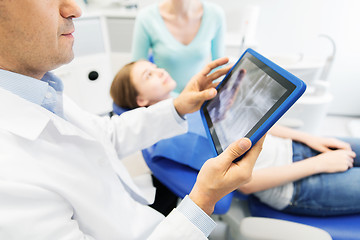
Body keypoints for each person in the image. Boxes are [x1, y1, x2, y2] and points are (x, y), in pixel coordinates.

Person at [0, 1, 265, 239]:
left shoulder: (42, 91)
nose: (75, 9)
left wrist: (177, 106)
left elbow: (105, 133)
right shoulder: (9, 182)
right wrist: (203, 200)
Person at [110, 59, 360, 217]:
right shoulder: (169, 142)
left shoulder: (196, 103)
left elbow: (258, 124)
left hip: (295, 147)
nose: (159, 71)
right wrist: (319, 164)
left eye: (154, 67)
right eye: (148, 76)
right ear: (140, 100)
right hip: (292, 183)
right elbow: (243, 182)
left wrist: (308, 139)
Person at [131, 0, 226, 93]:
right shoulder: (146, 18)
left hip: (199, 97)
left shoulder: (215, 15)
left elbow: (219, 67)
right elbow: (136, 76)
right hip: (164, 101)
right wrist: (177, 102)